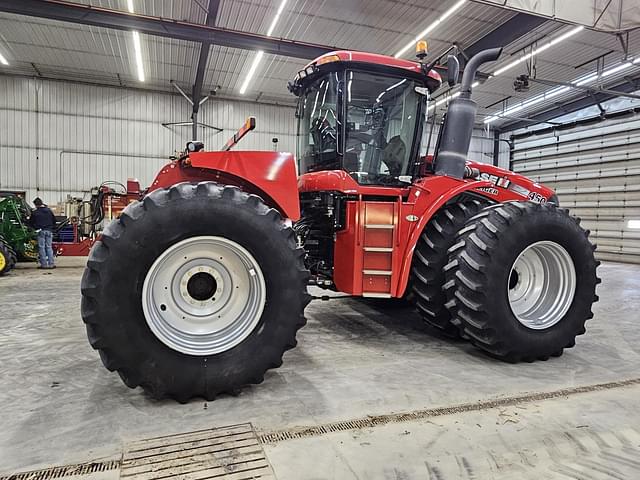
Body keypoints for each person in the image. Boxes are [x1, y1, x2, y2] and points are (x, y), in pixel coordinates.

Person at [29, 197, 56, 269]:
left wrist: (34, 227)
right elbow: (54, 221)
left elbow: (30, 223)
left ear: (35, 205)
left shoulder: (35, 212)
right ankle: (51, 264)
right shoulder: (49, 211)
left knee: (41, 248)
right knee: (49, 247)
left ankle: (44, 265)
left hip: (40, 231)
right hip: (49, 231)